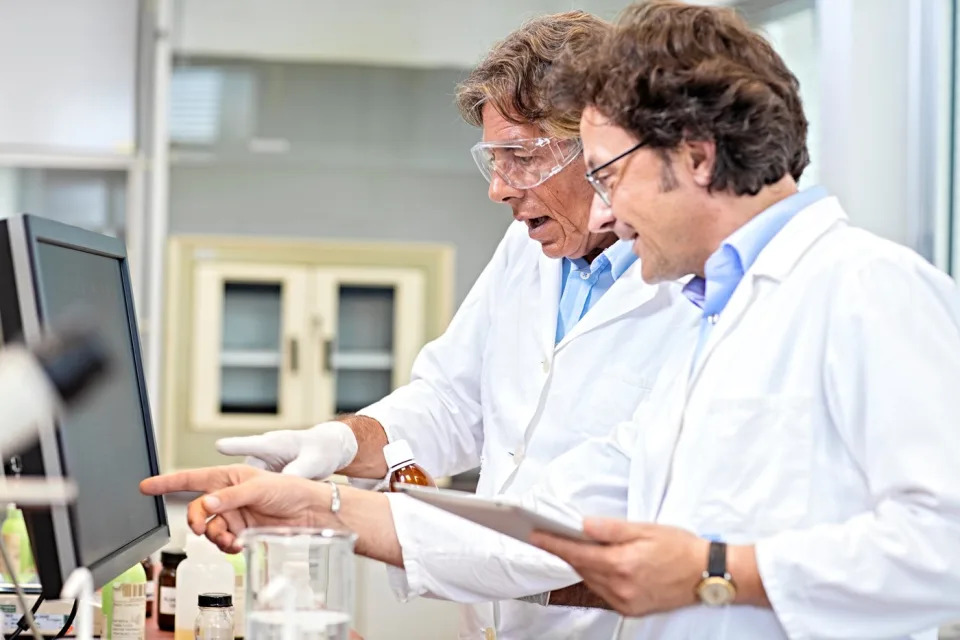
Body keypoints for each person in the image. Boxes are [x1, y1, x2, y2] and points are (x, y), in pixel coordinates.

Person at [204, 11, 698, 639]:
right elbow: (452, 398)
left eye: (519, 157)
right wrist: (339, 443)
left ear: (602, 147)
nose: (498, 189)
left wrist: (329, 510)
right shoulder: (528, 250)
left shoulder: (689, 293)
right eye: (493, 160)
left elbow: (587, 521)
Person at [505, 1, 960, 638]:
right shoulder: (711, 315)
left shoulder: (868, 286)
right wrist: (350, 512)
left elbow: (948, 546)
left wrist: (716, 571)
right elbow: (562, 504)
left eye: (609, 177)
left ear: (696, 157)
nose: (605, 215)